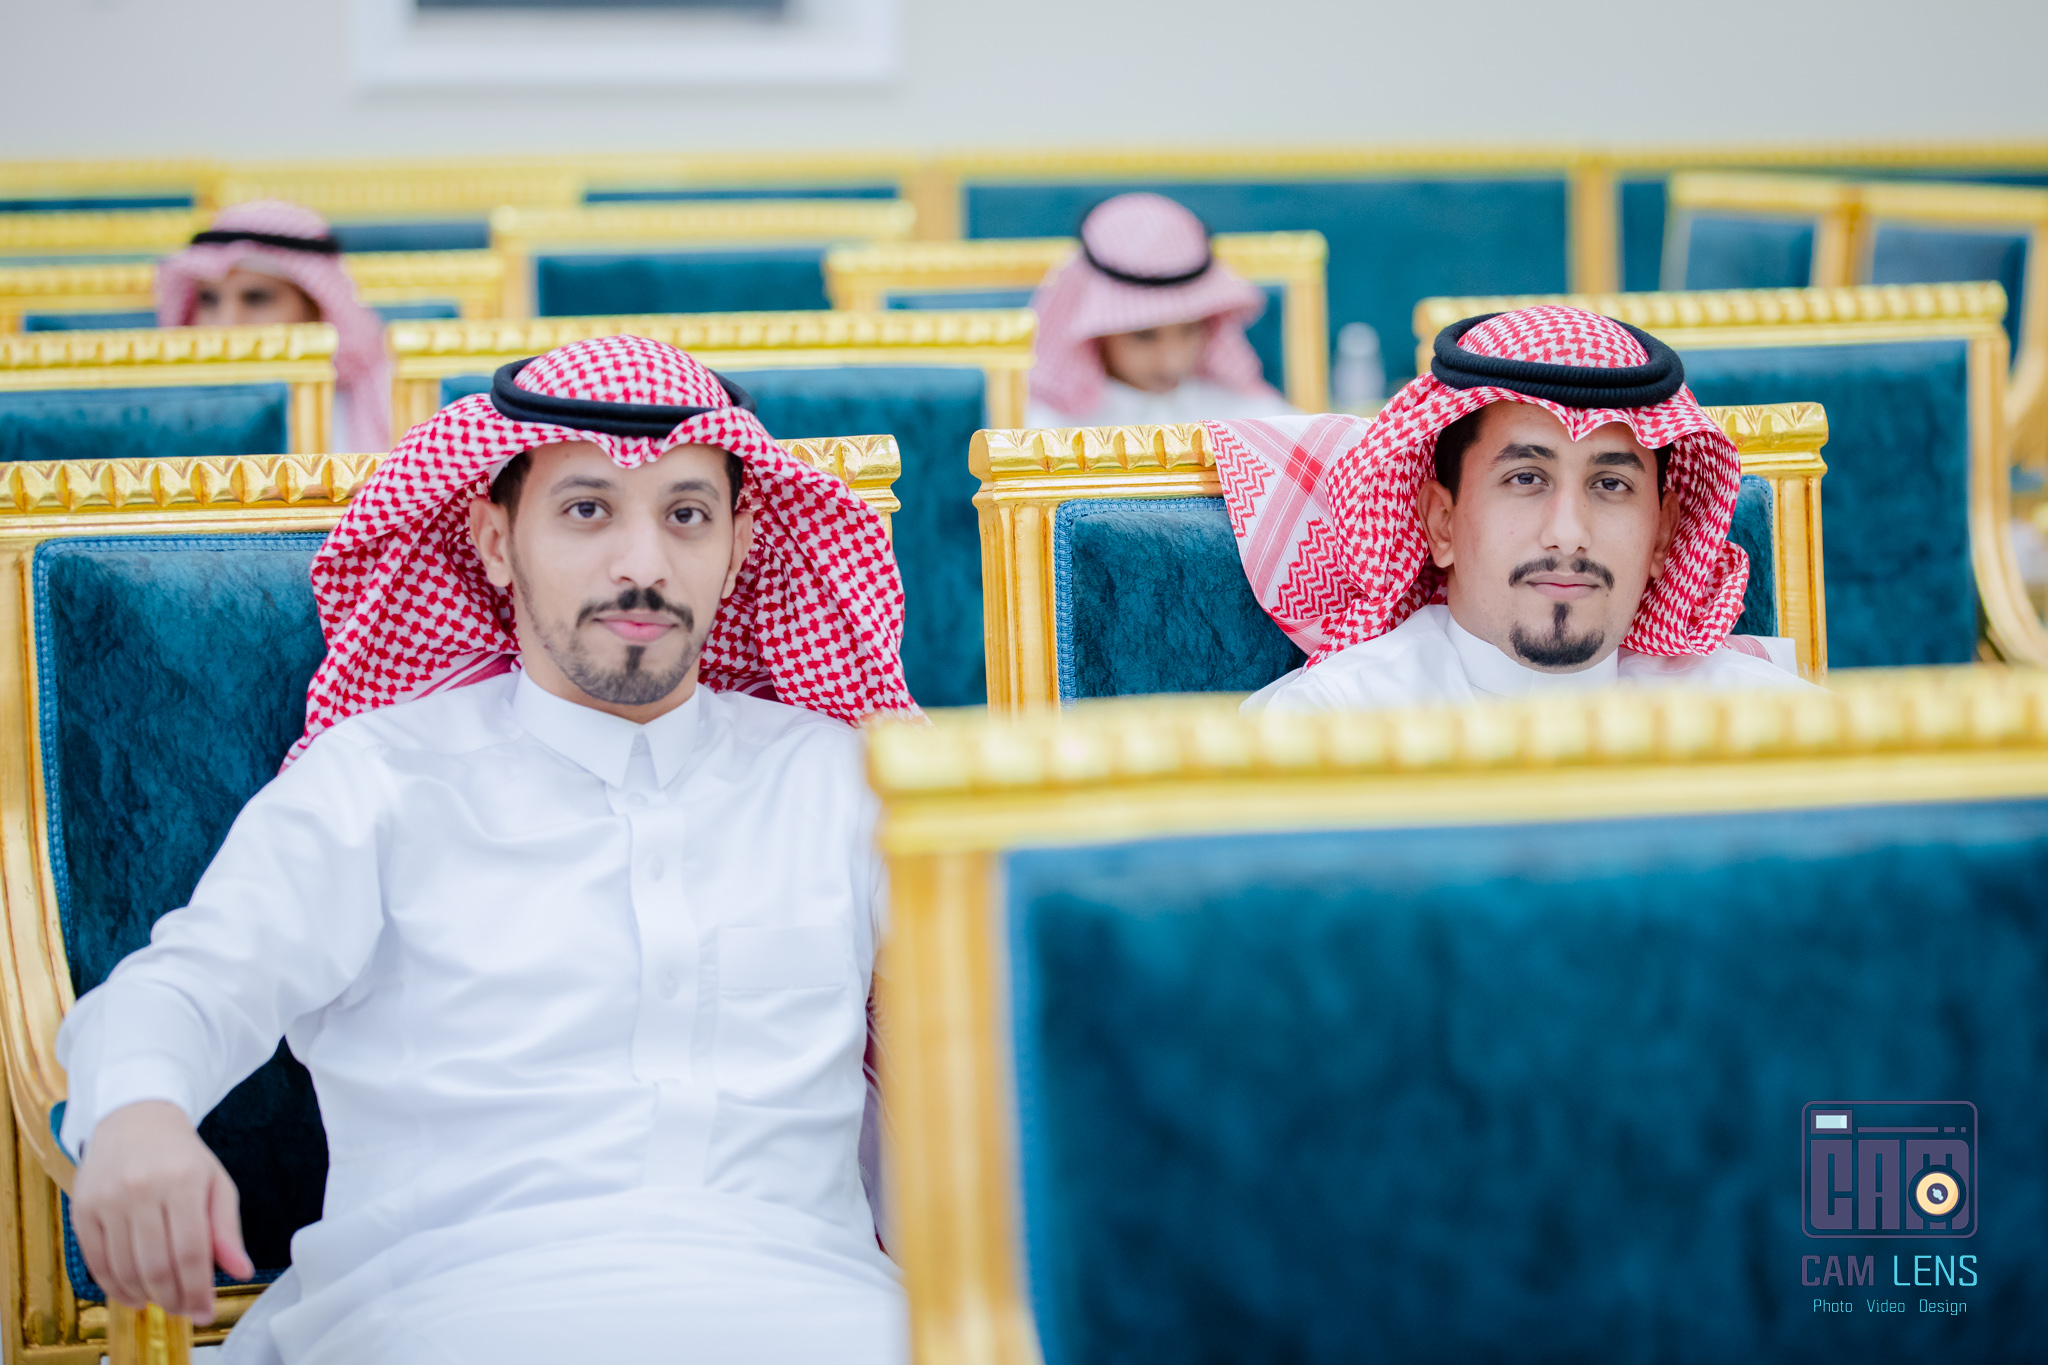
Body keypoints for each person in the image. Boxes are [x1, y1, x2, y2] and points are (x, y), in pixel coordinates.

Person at [55, 336, 918, 1364]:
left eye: (686, 515)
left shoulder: (847, 781)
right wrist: (137, 1113)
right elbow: (192, 983)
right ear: (495, 541)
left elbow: (999, 1025)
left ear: (738, 549)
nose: (642, 565)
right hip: (442, 1307)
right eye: (587, 510)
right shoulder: (378, 780)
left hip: (820, 1309)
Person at [1211, 306, 1817, 711]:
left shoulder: (1762, 723)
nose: (1568, 535)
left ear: (1662, 537)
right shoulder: (1332, 728)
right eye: (1526, 478)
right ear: (1441, 524)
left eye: (1610, 485)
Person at [1024, 192, 1295, 428]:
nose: (1172, 361)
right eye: (1144, 335)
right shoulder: (1045, 432)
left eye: (1189, 330)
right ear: (1097, 333)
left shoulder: (1252, 417)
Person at [156, 200, 393, 452]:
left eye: (256, 299)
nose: (227, 324)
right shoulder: (161, 414)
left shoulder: (383, 397)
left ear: (315, 309)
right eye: (209, 299)